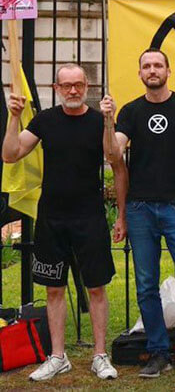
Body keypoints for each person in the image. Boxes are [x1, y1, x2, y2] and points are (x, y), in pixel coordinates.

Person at [3, 63, 126, 381]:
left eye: (79, 85)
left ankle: (100, 355)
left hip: (89, 217)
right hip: (52, 217)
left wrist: (109, 121)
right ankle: (58, 356)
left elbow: (113, 157)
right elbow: (10, 154)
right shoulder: (45, 120)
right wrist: (14, 117)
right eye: (67, 85)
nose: (73, 90)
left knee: (96, 288)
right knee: (54, 290)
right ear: (56, 89)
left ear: (87, 87)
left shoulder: (99, 120)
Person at [107, 49, 175, 379]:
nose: (152, 70)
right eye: (147, 66)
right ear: (140, 73)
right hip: (140, 208)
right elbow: (113, 152)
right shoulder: (131, 111)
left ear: (169, 71)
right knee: (145, 284)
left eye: (158, 65)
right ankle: (158, 352)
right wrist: (107, 120)